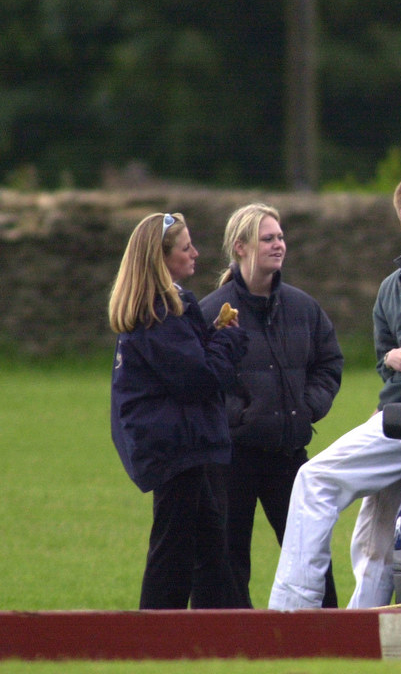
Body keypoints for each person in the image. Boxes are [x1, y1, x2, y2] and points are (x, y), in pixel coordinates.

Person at [268, 168, 401, 610]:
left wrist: (396, 365)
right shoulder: (389, 288)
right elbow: (386, 361)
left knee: (314, 481)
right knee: (379, 538)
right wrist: (390, 360)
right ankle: (361, 634)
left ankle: (291, 611)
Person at [200, 203, 343, 608]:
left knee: (309, 553)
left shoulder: (303, 308)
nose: (279, 244)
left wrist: (306, 406)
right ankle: (234, 640)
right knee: (229, 558)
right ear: (241, 247)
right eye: (268, 238)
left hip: (288, 454)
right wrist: (239, 417)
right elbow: (203, 380)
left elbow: (330, 362)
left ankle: (330, 632)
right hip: (233, 458)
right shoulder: (212, 311)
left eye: (280, 237)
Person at [109, 212, 248, 609]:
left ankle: (215, 634)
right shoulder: (159, 313)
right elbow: (199, 379)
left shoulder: (164, 308)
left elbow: (192, 366)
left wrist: (215, 340)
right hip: (176, 447)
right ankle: (152, 640)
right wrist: (230, 340)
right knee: (174, 553)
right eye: (186, 247)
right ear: (161, 258)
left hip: (179, 444)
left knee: (209, 548)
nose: (196, 253)